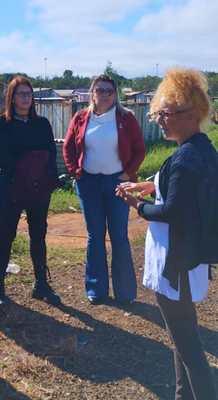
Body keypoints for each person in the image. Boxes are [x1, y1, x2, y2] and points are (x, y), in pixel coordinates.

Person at [116, 67, 218, 400]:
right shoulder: (201, 149)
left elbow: (173, 211)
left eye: (166, 113)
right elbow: (186, 192)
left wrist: (136, 204)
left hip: (174, 264)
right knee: (182, 339)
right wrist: (153, 184)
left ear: (192, 115)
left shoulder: (186, 157)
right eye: (159, 112)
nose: (159, 119)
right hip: (187, 260)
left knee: (188, 347)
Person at [63, 74, 146, 305]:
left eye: (109, 91)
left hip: (118, 185)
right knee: (95, 236)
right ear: (92, 93)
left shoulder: (126, 118)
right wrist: (76, 173)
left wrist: (127, 175)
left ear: (115, 94)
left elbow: (140, 149)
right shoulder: (80, 118)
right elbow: (68, 147)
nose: (105, 95)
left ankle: (125, 293)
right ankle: (96, 290)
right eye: (100, 90)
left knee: (119, 236)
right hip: (88, 184)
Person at [0, 76, 61, 307]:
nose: (26, 98)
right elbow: (5, 157)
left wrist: (45, 179)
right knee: (6, 235)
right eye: (21, 94)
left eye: (29, 94)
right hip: (10, 186)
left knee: (38, 234)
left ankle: (41, 284)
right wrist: (29, 167)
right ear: (12, 97)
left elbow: (50, 153)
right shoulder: (3, 124)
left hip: (38, 188)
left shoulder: (42, 124)